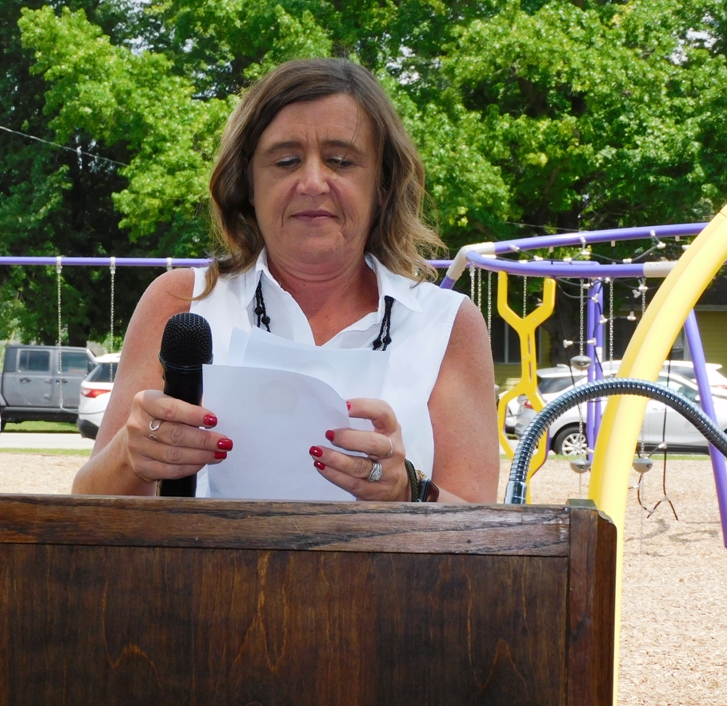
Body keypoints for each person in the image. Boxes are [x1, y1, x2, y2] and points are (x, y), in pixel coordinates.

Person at [72, 58, 499, 503]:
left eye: (340, 161)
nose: (313, 182)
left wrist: (410, 490)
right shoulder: (182, 301)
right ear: (248, 184)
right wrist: (131, 455)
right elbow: (85, 504)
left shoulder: (448, 325)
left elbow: (485, 531)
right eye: (286, 161)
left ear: (383, 184)